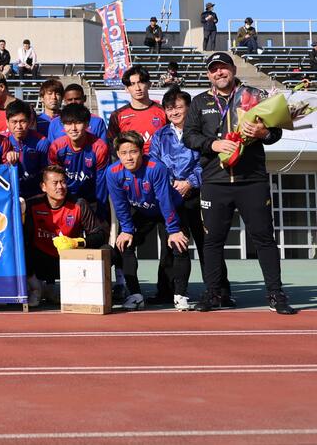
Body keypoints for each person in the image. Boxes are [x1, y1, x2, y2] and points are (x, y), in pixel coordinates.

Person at [183, 52, 296, 314]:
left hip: (251, 180)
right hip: (215, 181)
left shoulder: (254, 96)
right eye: (214, 69)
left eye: (223, 68)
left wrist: (263, 133)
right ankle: (214, 293)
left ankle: (276, 294)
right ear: (208, 74)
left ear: (233, 69)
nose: (219, 73)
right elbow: (189, 136)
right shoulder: (199, 102)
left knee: (264, 238)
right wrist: (213, 144)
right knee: (212, 241)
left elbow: (276, 132)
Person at [150, 87, 231, 306]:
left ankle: (220, 292)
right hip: (170, 196)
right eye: (169, 108)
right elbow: (155, 163)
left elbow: (208, 161)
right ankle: (167, 292)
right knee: (171, 245)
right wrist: (170, 184)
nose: (174, 112)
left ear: (189, 108)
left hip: (198, 194)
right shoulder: (159, 135)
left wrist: (190, 182)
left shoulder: (201, 133)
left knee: (207, 244)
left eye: (178, 107)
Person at [108, 131, 190, 311]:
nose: (129, 157)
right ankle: (135, 295)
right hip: (143, 211)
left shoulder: (156, 168)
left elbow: (165, 200)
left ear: (141, 151)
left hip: (169, 209)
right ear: (118, 154)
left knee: (179, 244)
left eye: (133, 152)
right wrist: (127, 229)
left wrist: (173, 230)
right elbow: (120, 204)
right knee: (125, 244)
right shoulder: (112, 172)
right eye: (124, 153)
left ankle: (180, 295)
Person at [24, 166, 109, 308]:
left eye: (63, 182)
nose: (60, 187)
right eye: (55, 183)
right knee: (19, 249)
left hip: (69, 261)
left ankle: (94, 291)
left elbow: (100, 234)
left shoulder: (79, 204)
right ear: (43, 187)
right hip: (41, 261)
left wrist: (76, 242)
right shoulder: (32, 205)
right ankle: (35, 289)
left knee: (108, 250)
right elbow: (23, 238)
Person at [47, 103, 110, 221]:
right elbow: (54, 180)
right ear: (63, 125)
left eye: (78, 123)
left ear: (87, 124)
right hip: (66, 199)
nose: (73, 128)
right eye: (68, 123)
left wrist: (100, 213)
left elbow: (101, 182)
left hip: (91, 199)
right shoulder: (56, 147)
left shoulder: (99, 148)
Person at [107, 65, 167, 153]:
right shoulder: (117, 115)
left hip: (158, 160)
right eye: (132, 84)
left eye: (141, 82)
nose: (138, 88)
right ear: (126, 89)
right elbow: (112, 146)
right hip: (130, 161)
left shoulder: (163, 111)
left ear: (149, 84)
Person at [5, 100, 50, 199]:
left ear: (29, 122)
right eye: (14, 122)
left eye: (23, 121)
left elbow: (46, 171)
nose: (18, 126)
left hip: (36, 194)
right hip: (10, 194)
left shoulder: (42, 142)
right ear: (7, 122)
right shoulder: (2, 142)